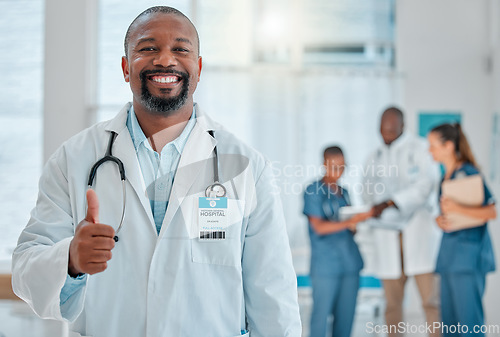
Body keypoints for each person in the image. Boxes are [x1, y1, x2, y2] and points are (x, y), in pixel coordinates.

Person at [11, 6, 302, 337]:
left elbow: (273, 293)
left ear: (199, 67)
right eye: (148, 48)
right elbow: (24, 269)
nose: (165, 60)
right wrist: (70, 261)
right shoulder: (74, 159)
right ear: (125, 67)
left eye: (180, 49)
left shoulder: (248, 166)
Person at [362, 107, 442, 337]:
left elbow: (425, 186)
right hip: (387, 236)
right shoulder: (373, 156)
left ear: (402, 126)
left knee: (430, 302)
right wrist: (377, 206)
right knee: (393, 305)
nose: (385, 134)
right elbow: (367, 192)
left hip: (417, 234)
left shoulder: (419, 149)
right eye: (382, 129)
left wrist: (390, 203)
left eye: (390, 129)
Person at [428, 123, 496, 337]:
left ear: (448, 146)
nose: (429, 151)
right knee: (449, 326)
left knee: (468, 325)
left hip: (467, 260)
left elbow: (491, 212)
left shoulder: (468, 172)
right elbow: (455, 217)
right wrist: (441, 220)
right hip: (449, 258)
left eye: (432, 146)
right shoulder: (445, 177)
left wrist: (457, 208)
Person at [303, 146, 372, 337]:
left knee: (346, 318)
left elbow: (346, 225)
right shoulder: (313, 191)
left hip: (349, 263)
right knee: (320, 317)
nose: (339, 171)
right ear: (324, 165)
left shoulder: (345, 192)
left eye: (342, 167)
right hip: (326, 266)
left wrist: (354, 224)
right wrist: (349, 222)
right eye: (334, 167)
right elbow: (319, 226)